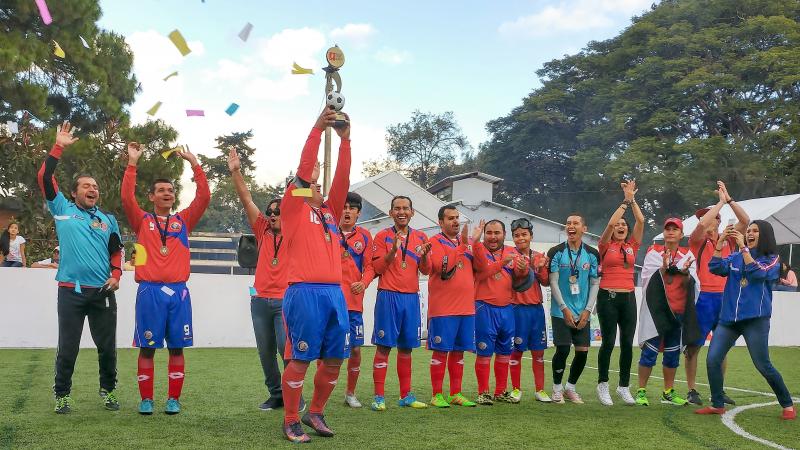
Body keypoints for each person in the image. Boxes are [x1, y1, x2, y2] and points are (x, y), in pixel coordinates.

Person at [37, 121, 124, 414]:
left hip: (102, 293)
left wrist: (116, 275)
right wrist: (58, 145)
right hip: (70, 292)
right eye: (87, 185)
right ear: (73, 193)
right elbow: (45, 177)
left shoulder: (108, 219)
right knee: (69, 347)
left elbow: (117, 251)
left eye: (96, 186)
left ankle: (108, 390)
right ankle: (62, 395)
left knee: (107, 348)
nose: (93, 189)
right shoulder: (62, 210)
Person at [278, 108, 351, 443]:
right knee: (301, 357)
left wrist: (345, 141)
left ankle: (316, 411)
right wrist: (317, 128)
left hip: (335, 294)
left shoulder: (330, 215)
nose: (317, 187)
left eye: (319, 185)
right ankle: (291, 419)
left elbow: (342, 181)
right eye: (312, 184)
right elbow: (304, 172)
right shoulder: (293, 210)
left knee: (335, 358)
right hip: (304, 292)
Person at [122, 141, 210, 416]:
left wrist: (195, 164)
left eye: (171, 190)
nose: (167, 194)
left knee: (176, 347)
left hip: (179, 292)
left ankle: (173, 399)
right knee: (147, 348)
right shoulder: (142, 220)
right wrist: (132, 163)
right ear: (152, 197)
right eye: (161, 190)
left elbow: (204, 198)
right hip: (149, 291)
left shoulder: (183, 221)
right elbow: (127, 198)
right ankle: (146, 399)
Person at [228, 148, 305, 412]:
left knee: (288, 351)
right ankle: (276, 394)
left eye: (278, 211)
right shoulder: (261, 231)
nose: (272, 214)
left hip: (286, 300)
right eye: (270, 211)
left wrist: (305, 180)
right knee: (265, 352)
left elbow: (304, 201)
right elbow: (246, 198)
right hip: (260, 301)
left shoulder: (296, 233)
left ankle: (294, 394)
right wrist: (236, 171)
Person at [697, 221, 795, 419]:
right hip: (728, 320)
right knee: (713, 359)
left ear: (765, 235)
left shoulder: (773, 259)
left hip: (755, 320)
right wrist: (720, 243)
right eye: (748, 230)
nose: (749, 233)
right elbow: (715, 266)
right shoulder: (734, 257)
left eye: (754, 231)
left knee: (763, 365)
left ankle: (787, 404)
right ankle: (717, 404)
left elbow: (758, 273)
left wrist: (742, 247)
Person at [684, 181, 749, 405]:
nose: (710, 219)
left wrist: (728, 200)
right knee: (694, 346)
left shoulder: (729, 239)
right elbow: (702, 224)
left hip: (725, 298)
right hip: (703, 299)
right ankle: (692, 390)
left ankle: (717, 391)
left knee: (721, 347)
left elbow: (745, 221)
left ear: (719, 221)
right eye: (708, 217)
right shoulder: (697, 241)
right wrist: (719, 203)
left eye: (714, 217)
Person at [370, 195, 432, 411]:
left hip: (411, 298)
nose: (402, 212)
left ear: (412, 212)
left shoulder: (422, 237)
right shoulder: (381, 236)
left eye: (406, 208)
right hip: (388, 296)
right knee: (384, 347)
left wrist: (424, 255)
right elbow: (377, 268)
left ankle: (406, 395)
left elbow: (426, 270)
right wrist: (393, 250)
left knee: (406, 349)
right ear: (391, 213)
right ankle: (379, 397)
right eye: (397, 208)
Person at [635, 218, 700, 406]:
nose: (671, 232)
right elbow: (648, 279)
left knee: (672, 354)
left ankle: (668, 392)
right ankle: (641, 391)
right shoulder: (653, 253)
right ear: (663, 233)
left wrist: (686, 273)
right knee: (649, 353)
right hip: (658, 313)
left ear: (681, 234)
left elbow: (694, 284)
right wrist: (663, 269)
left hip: (678, 311)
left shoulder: (688, 255)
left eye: (675, 229)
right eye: (668, 229)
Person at [425, 205, 482, 408]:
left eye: (457, 218)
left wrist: (474, 243)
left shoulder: (465, 243)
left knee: (459, 352)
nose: (455, 221)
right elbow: (442, 267)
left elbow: (480, 267)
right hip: (443, 308)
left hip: (466, 308)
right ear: (441, 222)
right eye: (450, 218)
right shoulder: (434, 242)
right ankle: (436, 394)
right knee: (441, 351)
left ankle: (456, 393)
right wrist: (463, 246)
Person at [595, 180, 644, 406]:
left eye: (624, 225)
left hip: (628, 297)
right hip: (608, 297)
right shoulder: (605, 245)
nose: (621, 227)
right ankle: (602, 384)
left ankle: (623, 386)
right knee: (608, 342)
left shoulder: (632, 246)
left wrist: (633, 200)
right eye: (618, 226)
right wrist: (624, 201)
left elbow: (641, 221)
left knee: (626, 343)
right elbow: (610, 223)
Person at [473, 220, 531, 405]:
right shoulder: (478, 250)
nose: (492, 236)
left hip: (507, 308)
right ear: (484, 234)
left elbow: (519, 280)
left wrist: (523, 270)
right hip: (484, 307)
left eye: (497, 232)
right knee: (484, 352)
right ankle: (483, 392)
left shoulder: (512, 252)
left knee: (505, 351)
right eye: (489, 232)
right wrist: (502, 263)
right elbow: (480, 274)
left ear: (504, 234)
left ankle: (500, 391)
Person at [546, 214, 600, 404]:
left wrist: (587, 309)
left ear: (584, 229)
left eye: (575, 223)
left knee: (582, 351)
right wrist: (563, 308)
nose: (571, 226)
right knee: (562, 350)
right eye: (568, 223)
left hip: (582, 312)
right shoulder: (556, 252)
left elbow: (595, 283)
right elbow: (552, 282)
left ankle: (570, 387)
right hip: (561, 311)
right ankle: (557, 388)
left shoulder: (593, 254)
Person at [338, 192, 375, 408]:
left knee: (356, 349)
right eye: (343, 207)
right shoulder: (329, 232)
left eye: (352, 208)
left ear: (358, 213)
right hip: (331, 302)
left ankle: (350, 393)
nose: (347, 211)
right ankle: (323, 390)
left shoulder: (365, 236)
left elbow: (370, 266)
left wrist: (364, 282)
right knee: (327, 349)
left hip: (353, 303)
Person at [508, 218, 551, 403]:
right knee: (516, 351)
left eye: (524, 234)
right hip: (517, 309)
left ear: (531, 236)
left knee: (538, 352)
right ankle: (516, 389)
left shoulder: (539, 255)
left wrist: (540, 267)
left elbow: (546, 282)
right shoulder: (509, 255)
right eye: (516, 235)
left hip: (536, 310)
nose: (520, 238)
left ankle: (540, 390)